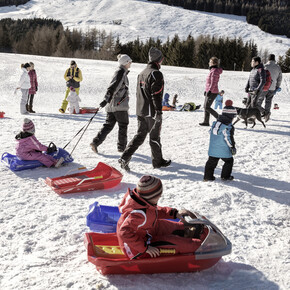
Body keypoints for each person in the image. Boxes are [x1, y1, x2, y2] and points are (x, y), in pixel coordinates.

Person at [117, 175, 204, 259]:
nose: (160, 196)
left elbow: (152, 212)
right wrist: (145, 248)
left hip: (145, 230)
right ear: (151, 196)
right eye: (158, 196)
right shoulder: (138, 215)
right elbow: (124, 232)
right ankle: (198, 245)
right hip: (137, 249)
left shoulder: (142, 201)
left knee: (168, 226)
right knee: (176, 244)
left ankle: (189, 231)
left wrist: (174, 213)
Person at [119, 47, 171, 171]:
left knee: (140, 136)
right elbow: (156, 94)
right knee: (154, 137)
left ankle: (125, 157)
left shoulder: (142, 73)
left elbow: (138, 93)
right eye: (161, 60)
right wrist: (158, 112)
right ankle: (157, 162)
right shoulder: (156, 73)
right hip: (151, 112)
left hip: (141, 110)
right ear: (158, 60)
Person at [90, 54, 132, 153]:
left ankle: (95, 142)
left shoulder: (121, 72)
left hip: (113, 105)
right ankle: (122, 148)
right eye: (129, 61)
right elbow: (113, 87)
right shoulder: (120, 72)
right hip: (119, 105)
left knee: (108, 125)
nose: (131, 63)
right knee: (123, 125)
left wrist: (107, 100)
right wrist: (106, 99)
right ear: (125, 63)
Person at [204, 100, 237, 181]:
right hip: (224, 149)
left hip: (213, 148)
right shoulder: (228, 126)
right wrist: (232, 147)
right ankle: (225, 176)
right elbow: (228, 138)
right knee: (229, 161)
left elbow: (210, 132)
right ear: (231, 117)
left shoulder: (215, 124)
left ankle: (208, 177)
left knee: (211, 163)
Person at [257, 54, 282, 122]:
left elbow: (260, 76)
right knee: (268, 101)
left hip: (264, 87)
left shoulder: (265, 66)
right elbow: (279, 78)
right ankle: (267, 114)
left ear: (268, 59)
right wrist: (277, 87)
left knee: (258, 102)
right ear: (274, 59)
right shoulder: (278, 67)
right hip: (272, 88)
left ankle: (265, 112)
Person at [199, 56, 223, 126]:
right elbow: (209, 82)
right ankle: (206, 121)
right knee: (205, 106)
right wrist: (206, 90)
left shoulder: (215, 71)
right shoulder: (212, 70)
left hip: (213, 92)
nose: (209, 63)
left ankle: (219, 118)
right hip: (209, 91)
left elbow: (213, 82)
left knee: (207, 106)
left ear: (213, 63)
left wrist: (209, 91)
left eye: (210, 62)